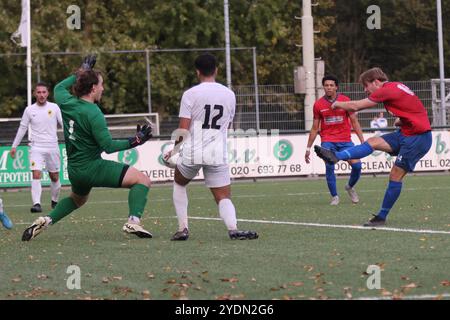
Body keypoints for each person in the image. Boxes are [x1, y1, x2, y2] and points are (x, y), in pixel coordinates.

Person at [22, 55, 153, 241]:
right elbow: (108, 146)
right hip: (92, 167)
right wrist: (135, 141)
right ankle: (133, 221)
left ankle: (46, 219)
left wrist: (81, 71)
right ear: (93, 89)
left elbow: (59, 87)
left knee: (77, 199)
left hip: (74, 169)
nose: (103, 88)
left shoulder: (67, 103)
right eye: (101, 85)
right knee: (143, 181)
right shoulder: (94, 113)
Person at [314, 67, 432, 226]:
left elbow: (356, 106)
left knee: (395, 175)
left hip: (418, 138)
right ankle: (336, 156)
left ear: (376, 82)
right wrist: (403, 120)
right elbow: (414, 108)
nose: (365, 90)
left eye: (366, 85)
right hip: (407, 132)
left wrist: (337, 104)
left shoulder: (385, 90)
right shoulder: (395, 86)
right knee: (373, 142)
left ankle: (381, 216)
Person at [163, 53, 258, 241]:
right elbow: (227, 125)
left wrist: (174, 152)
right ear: (216, 70)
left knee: (179, 182)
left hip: (193, 150)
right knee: (223, 196)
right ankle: (233, 228)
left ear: (197, 72)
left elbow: (184, 128)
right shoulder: (229, 94)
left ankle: (183, 228)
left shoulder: (190, 94)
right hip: (216, 151)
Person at [305, 75, 364, 205]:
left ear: (336, 87)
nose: (329, 87)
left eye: (332, 85)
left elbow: (354, 122)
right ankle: (335, 196)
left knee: (357, 166)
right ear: (323, 87)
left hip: (345, 141)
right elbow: (315, 128)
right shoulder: (318, 105)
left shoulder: (345, 101)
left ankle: (349, 187)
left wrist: (362, 141)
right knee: (329, 166)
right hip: (328, 141)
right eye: (326, 85)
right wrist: (308, 148)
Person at [10, 83, 63, 213]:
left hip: (52, 146)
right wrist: (14, 146)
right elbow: (22, 128)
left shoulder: (54, 108)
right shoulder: (29, 110)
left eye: (44, 92)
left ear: (48, 93)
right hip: (36, 147)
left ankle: (54, 200)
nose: (41, 95)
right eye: (38, 92)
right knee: (36, 173)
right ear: (35, 94)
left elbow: (63, 125)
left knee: (54, 176)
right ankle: (37, 204)